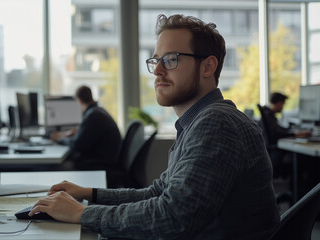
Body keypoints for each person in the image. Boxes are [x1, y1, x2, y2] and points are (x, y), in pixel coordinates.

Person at [30, 14, 280, 239]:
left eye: (171, 59)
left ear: (208, 66)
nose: (157, 70)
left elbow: (172, 217)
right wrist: (89, 194)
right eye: (156, 60)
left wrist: (82, 214)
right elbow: (159, 192)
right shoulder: (197, 122)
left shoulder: (217, 124)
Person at [50, 85, 122, 174]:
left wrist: (60, 138)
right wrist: (78, 133)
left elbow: (78, 145)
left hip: (99, 165)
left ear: (79, 100)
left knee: (55, 167)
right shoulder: (98, 111)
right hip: (106, 160)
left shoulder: (93, 115)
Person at [261, 92, 311, 178]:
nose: (283, 107)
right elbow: (277, 133)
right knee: (305, 159)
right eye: (283, 104)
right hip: (275, 151)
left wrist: (292, 131)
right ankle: (298, 189)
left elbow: (279, 129)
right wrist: (296, 134)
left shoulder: (268, 113)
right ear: (279, 103)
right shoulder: (268, 114)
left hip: (272, 150)